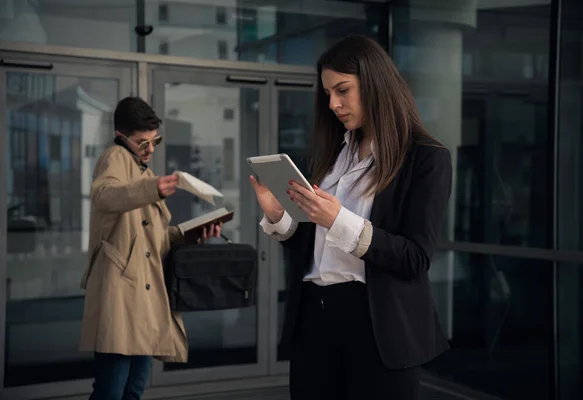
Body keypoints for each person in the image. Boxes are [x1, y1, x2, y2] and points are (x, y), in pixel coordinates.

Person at [250, 35, 452, 399]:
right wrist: (279, 217)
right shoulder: (333, 155)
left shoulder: (426, 158)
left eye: (342, 90)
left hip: (379, 325)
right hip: (314, 318)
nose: (333, 104)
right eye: (328, 93)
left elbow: (416, 258)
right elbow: (310, 247)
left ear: (375, 83)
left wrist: (338, 219)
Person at [79, 96, 221, 399]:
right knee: (111, 391)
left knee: (133, 389)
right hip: (121, 297)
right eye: (142, 142)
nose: (151, 148)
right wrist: (153, 188)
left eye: (154, 140)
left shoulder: (141, 170)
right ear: (121, 137)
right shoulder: (115, 157)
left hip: (142, 298)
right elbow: (104, 194)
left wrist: (191, 234)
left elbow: (153, 238)